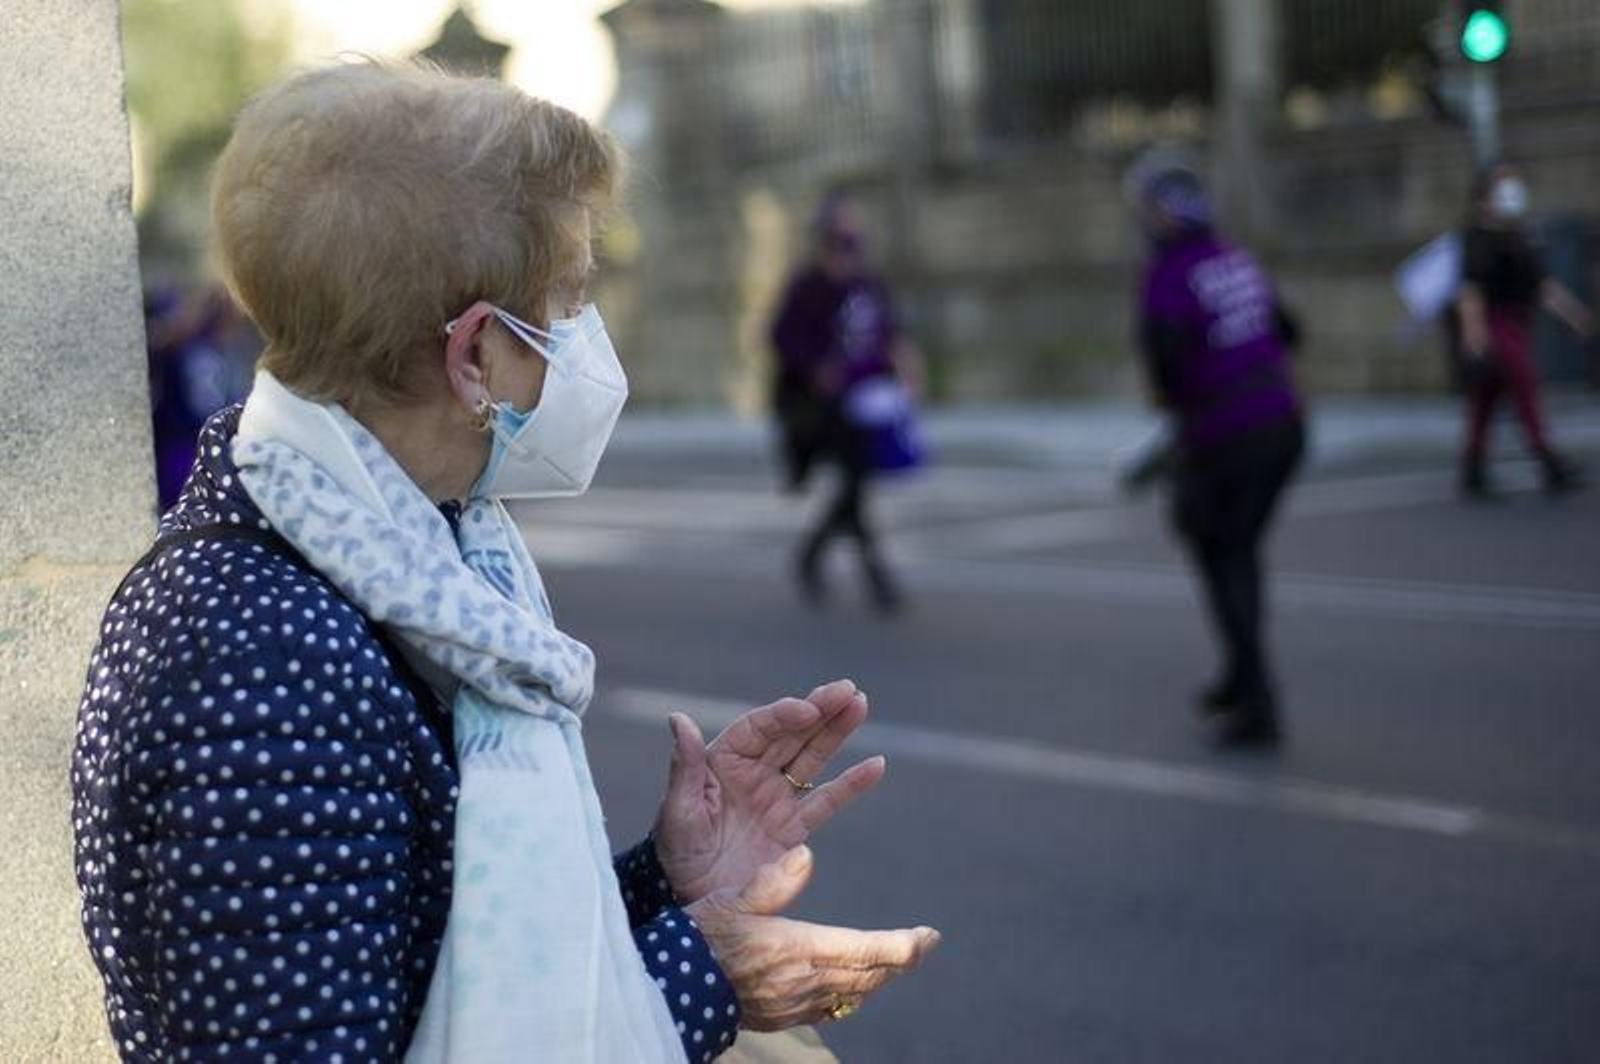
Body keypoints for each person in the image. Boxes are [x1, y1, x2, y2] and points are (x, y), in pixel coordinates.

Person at [71, 61, 938, 1064]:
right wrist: (707, 979)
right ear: (476, 355)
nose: (584, 345)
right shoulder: (260, 662)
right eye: (567, 306)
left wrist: (667, 875)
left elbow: (444, 956)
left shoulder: (402, 549)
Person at [1132, 161, 1305, 748]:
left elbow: (1165, 358)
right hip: (1284, 425)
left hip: (1226, 436)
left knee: (1224, 555)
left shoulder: (1167, 272)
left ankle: (1258, 703)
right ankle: (1239, 676)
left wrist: (1178, 402)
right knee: (1235, 550)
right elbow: (1289, 331)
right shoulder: (1236, 257)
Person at [769, 192, 924, 614]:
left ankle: (811, 555)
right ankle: (879, 578)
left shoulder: (868, 283)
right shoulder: (808, 286)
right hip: (825, 409)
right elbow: (782, 338)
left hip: (866, 403)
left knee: (854, 487)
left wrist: (908, 366)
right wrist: (816, 369)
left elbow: (890, 332)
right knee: (854, 486)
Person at [1454, 163, 1593, 498]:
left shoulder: (1519, 236)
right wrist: (1473, 332)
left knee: (1486, 400)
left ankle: (1473, 467)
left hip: (1519, 323)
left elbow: (1542, 284)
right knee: (1525, 385)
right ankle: (1547, 459)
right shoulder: (1477, 238)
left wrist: (1573, 314)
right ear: (1485, 196)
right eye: (1503, 184)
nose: (1511, 191)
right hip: (1496, 326)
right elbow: (1470, 289)